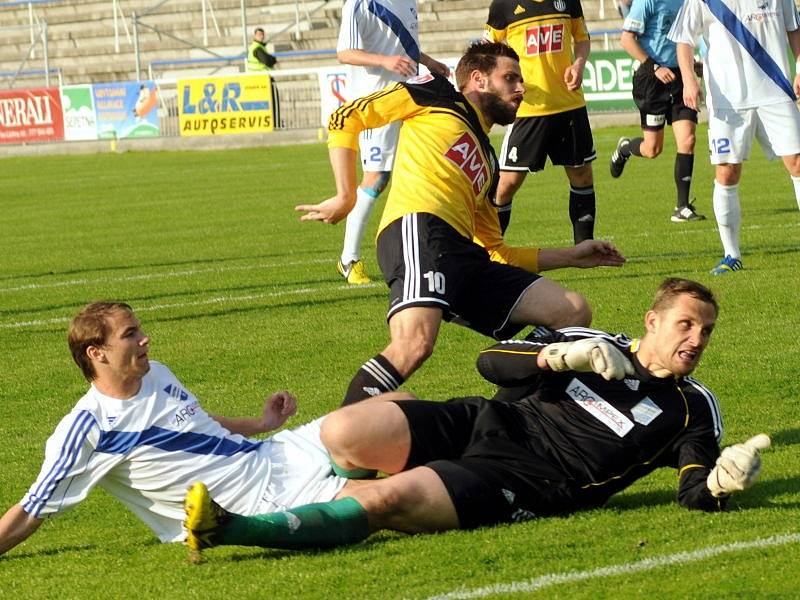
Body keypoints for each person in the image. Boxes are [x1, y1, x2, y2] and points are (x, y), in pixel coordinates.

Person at [182, 278, 770, 557]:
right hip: (487, 422)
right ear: (652, 321)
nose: (695, 339)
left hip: (533, 478)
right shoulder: (596, 344)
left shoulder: (693, 407)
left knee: (388, 502)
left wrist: (720, 481)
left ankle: (233, 529)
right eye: (686, 325)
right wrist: (560, 352)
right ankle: (339, 500)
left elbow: (693, 490)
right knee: (344, 428)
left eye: (706, 330)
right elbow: (489, 361)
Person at [296, 42, 625, 407]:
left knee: (572, 311)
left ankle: (503, 414)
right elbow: (347, 116)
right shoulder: (435, 94)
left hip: (465, 257)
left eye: (521, 80)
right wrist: (345, 194)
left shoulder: (488, 161)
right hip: (419, 227)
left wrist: (572, 256)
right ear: (479, 79)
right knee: (415, 344)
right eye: (510, 78)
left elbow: (496, 251)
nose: (521, 88)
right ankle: (340, 449)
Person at [0, 301, 356, 556]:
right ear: (98, 353)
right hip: (254, 498)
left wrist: (260, 424)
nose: (145, 338)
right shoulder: (88, 428)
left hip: (271, 454)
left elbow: (195, 423)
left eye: (139, 329)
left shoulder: (157, 372)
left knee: (390, 408)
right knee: (386, 492)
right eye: (130, 334)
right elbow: (32, 508)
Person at [669, 0, 800, 274]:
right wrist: (689, 79)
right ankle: (731, 255)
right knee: (727, 172)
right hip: (728, 98)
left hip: (776, 90)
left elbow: (794, 29)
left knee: (798, 162)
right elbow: (683, 40)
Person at [334, 0, 449, 285]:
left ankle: (430, 248)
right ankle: (349, 259)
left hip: (410, 95)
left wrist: (430, 62)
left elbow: (402, 47)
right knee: (376, 178)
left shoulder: (407, 1)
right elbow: (345, 52)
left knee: (424, 169)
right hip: (376, 103)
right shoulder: (360, 4)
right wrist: (384, 61)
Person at [483, 0, 598, 243]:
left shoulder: (568, 1)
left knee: (582, 175)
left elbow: (582, 38)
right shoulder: (504, 5)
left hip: (569, 104)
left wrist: (579, 64)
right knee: (507, 184)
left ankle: (586, 247)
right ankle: (487, 250)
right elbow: (487, 51)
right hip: (527, 109)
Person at [611, 0, 706, 223]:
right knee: (652, 149)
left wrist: (693, 66)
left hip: (681, 75)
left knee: (688, 139)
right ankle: (625, 149)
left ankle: (682, 207)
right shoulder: (648, 1)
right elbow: (626, 39)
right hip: (652, 79)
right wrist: (654, 66)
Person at [247, 27, 281, 127]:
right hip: (262, 80)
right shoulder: (257, 48)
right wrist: (273, 59)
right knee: (273, 100)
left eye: (262, 34)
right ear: (254, 36)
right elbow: (267, 61)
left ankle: (274, 122)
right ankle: (275, 123)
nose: (261, 36)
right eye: (259, 34)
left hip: (260, 79)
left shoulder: (259, 47)